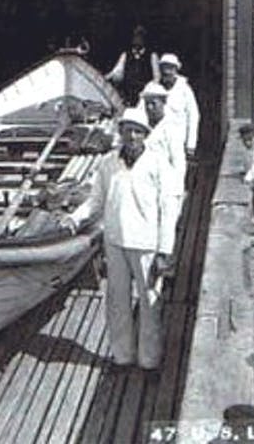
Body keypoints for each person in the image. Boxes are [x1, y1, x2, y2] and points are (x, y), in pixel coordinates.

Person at [63, 107, 181, 371]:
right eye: (127, 130)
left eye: (138, 131)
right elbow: (96, 200)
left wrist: (164, 250)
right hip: (115, 241)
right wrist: (74, 218)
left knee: (150, 303)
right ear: (121, 133)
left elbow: (169, 208)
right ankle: (122, 357)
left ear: (145, 135)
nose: (132, 136)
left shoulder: (158, 163)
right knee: (117, 302)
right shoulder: (108, 163)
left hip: (147, 244)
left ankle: (149, 361)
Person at [140, 81, 187, 197]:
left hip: (164, 184)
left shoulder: (171, 128)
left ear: (163, 102)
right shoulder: (141, 127)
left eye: (153, 104)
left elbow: (178, 161)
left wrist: (176, 191)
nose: (149, 108)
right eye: (147, 104)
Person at [156, 53, 200, 159]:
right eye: (164, 68)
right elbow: (141, 111)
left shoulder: (184, 90)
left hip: (177, 144)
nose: (167, 72)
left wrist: (191, 144)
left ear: (176, 70)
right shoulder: (153, 88)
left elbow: (193, 116)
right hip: (157, 142)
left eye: (170, 68)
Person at [105, 25, 159, 106]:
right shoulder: (126, 55)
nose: (138, 39)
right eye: (136, 36)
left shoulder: (152, 56)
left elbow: (156, 79)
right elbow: (116, 72)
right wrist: (103, 79)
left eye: (140, 36)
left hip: (144, 97)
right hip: (127, 96)